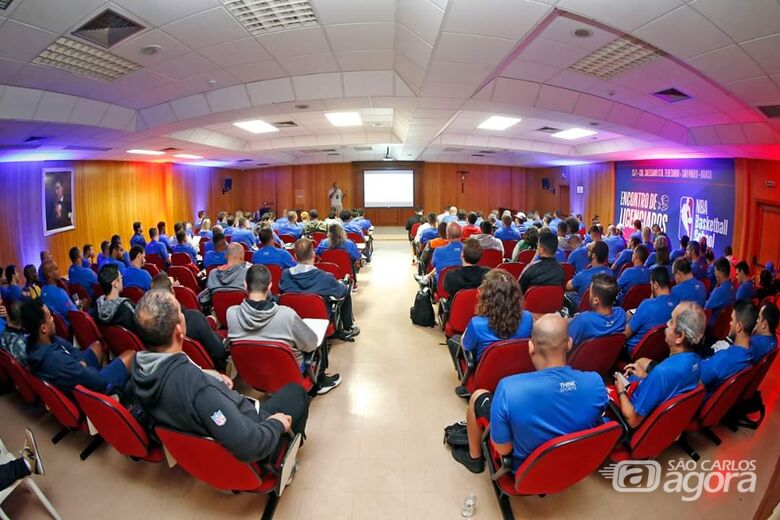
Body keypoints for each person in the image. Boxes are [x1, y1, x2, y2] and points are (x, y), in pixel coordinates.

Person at [130, 290, 309, 467]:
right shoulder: (200, 389)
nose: (183, 315)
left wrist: (212, 376)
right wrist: (276, 424)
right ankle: (284, 456)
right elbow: (249, 444)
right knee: (296, 392)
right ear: (178, 330)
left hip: (200, 432)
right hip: (253, 440)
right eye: (180, 312)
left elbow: (177, 381)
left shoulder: (138, 365)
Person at [450, 314, 608, 473]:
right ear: (569, 344)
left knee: (478, 395)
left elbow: (503, 449)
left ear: (531, 346)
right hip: (573, 466)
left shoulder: (508, 389)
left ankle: (474, 458)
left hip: (526, 471)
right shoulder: (596, 383)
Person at [228, 264, 341, 394]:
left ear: (245, 285)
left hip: (255, 374)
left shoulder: (231, 313)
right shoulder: (287, 315)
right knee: (317, 336)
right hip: (290, 376)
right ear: (270, 285)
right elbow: (311, 345)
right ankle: (320, 382)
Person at [615, 302, 705, 428]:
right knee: (640, 363)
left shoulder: (661, 373)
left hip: (633, 418)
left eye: (672, 321)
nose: (667, 324)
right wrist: (647, 377)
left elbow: (633, 421)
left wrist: (620, 390)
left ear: (680, 337)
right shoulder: (696, 361)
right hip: (662, 416)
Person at [22, 298, 134, 393]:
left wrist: (81, 362)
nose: (53, 319)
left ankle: (109, 382)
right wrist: (88, 371)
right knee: (131, 354)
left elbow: (71, 348)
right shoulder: (56, 361)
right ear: (44, 328)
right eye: (50, 317)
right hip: (88, 388)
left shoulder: (39, 342)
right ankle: (109, 393)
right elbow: (97, 381)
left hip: (78, 370)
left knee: (98, 345)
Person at [279, 238, 360, 340]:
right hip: (320, 319)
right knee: (345, 291)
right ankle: (347, 328)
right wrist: (340, 284)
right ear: (313, 254)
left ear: (295, 256)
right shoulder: (325, 277)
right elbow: (342, 292)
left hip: (292, 320)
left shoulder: (285, 275)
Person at [453, 269, 534, 365]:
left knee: (454, 340)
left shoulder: (476, 324)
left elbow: (466, 346)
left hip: (486, 374)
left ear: (486, 297)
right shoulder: (528, 318)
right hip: (516, 370)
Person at [150, 275, 227, 370]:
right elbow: (219, 352)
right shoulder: (194, 318)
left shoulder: (150, 326)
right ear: (173, 291)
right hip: (206, 371)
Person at [700, 301, 755, 394]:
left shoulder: (724, 358)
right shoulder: (750, 353)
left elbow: (694, 379)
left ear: (739, 326)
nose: (730, 323)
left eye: (732, 320)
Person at [624, 267, 676, 355]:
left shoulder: (647, 305)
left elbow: (625, 335)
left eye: (651, 284)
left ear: (655, 285)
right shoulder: (677, 303)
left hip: (635, 353)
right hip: (661, 352)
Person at [569, 274, 627, 346]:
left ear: (596, 300)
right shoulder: (621, 314)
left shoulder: (583, 320)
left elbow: (566, 346)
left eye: (590, 292)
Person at [565, 241, 613, 309]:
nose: (587, 251)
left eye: (588, 250)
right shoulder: (611, 273)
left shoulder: (583, 275)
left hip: (583, 308)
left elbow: (568, 286)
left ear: (594, 255)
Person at [95, 264, 139, 333]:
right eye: (121, 277)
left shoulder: (96, 307)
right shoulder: (126, 307)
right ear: (116, 283)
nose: (122, 280)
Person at [519, 229, 564, 294]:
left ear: (542, 250)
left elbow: (519, 290)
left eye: (538, 245)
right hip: (552, 304)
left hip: (530, 303)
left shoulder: (531, 269)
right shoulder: (561, 271)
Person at [39, 260, 78, 325]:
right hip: (70, 327)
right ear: (49, 274)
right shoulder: (60, 293)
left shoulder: (43, 290)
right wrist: (80, 308)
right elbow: (75, 315)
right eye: (56, 269)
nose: (59, 271)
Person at [705, 257, 736, 326]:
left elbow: (706, 308)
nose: (714, 274)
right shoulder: (732, 287)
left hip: (711, 326)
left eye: (715, 271)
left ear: (720, 274)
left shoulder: (720, 291)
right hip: (724, 326)